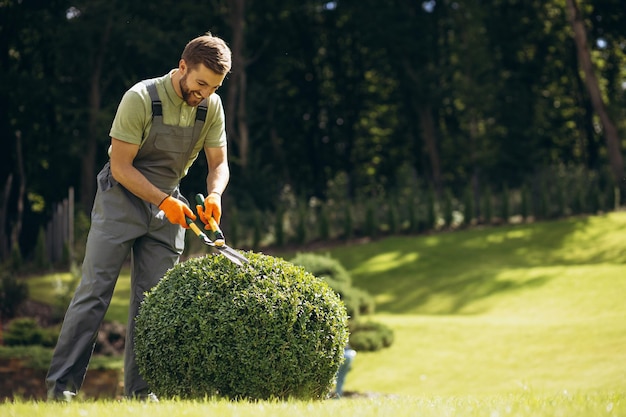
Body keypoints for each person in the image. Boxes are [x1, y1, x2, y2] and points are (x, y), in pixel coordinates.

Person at [46, 33, 232, 401]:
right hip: (122, 198)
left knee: (153, 304)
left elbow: (219, 163)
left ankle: (143, 395)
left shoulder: (211, 106)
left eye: (213, 87)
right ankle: (61, 391)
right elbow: (120, 167)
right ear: (182, 67)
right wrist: (164, 202)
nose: (204, 93)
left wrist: (214, 193)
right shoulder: (141, 98)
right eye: (199, 84)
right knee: (94, 293)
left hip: (169, 202)